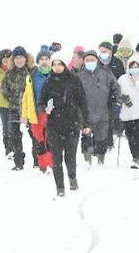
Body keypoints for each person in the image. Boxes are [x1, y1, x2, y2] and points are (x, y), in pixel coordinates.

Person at [39, 56, 87, 197]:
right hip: (54, 125)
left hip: (72, 124)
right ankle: (60, 186)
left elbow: (83, 102)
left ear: (65, 65)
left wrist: (85, 122)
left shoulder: (74, 79)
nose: (57, 66)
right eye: (54, 64)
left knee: (70, 157)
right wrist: (45, 109)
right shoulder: (48, 82)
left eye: (60, 64)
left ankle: (72, 178)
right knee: (56, 158)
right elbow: (41, 102)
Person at [77, 47, 117, 165]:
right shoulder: (79, 76)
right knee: (86, 137)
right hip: (85, 113)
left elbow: (116, 88)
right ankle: (87, 160)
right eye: (87, 60)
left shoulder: (105, 73)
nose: (90, 62)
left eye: (92, 59)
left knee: (101, 138)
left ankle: (101, 160)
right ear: (84, 62)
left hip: (102, 111)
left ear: (97, 60)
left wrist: (116, 101)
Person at [0, 46, 36, 171]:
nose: (19, 60)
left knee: (34, 134)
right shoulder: (9, 74)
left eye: (21, 57)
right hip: (14, 108)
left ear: (26, 59)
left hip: (30, 109)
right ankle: (19, 162)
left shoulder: (32, 71)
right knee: (15, 135)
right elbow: (4, 89)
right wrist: (12, 98)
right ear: (13, 60)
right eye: (16, 58)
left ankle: (37, 160)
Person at [117, 54, 139, 169]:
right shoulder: (122, 79)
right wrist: (123, 98)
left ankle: (136, 158)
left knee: (138, 136)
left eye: (136, 66)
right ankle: (134, 154)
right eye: (132, 66)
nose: (134, 68)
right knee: (130, 136)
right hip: (126, 113)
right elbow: (117, 93)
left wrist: (137, 81)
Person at [30, 47, 54, 172]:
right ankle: (42, 164)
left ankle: (50, 163)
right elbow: (28, 94)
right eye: (42, 59)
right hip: (37, 111)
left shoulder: (55, 74)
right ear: (38, 61)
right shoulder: (33, 75)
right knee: (39, 139)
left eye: (47, 59)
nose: (44, 61)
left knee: (49, 138)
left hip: (52, 111)